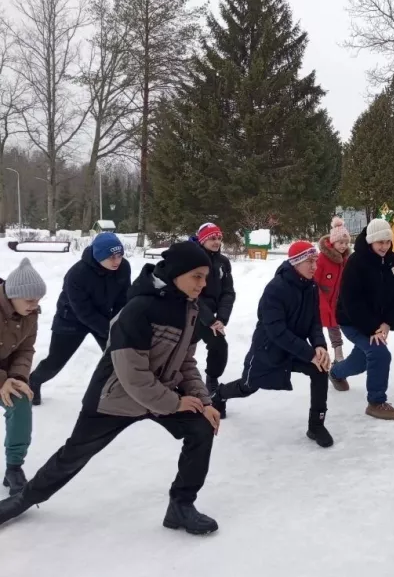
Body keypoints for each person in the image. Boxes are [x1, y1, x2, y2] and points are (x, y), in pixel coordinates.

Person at [0, 242, 221, 534]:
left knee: (201, 428)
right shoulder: (139, 309)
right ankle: (22, 500)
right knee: (73, 456)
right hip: (114, 397)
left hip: (161, 394)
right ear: (177, 273)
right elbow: (132, 374)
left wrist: (204, 401)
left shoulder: (190, 309)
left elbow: (186, 362)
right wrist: (175, 403)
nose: (203, 284)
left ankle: (181, 506)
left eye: (206, 277)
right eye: (197, 276)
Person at [211, 242, 334, 448]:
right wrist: (309, 353)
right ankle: (219, 394)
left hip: (295, 348)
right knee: (248, 386)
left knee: (320, 370)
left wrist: (319, 345)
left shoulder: (311, 286)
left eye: (316, 261)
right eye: (309, 262)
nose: (315, 266)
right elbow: (276, 330)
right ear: (295, 263)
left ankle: (316, 425)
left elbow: (315, 320)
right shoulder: (276, 289)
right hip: (268, 350)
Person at [29, 232, 131, 405]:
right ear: (98, 256)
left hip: (104, 316)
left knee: (118, 356)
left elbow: (123, 298)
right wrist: (109, 328)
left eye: (120, 255)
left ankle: (118, 392)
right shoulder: (77, 274)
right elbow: (83, 311)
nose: (117, 261)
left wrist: (118, 324)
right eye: (111, 257)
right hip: (71, 319)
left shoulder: (123, 267)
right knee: (55, 362)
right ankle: (33, 382)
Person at [329, 219, 394, 421]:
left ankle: (336, 373)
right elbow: (351, 300)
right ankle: (376, 402)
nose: (384, 246)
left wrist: (387, 322)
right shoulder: (357, 262)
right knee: (379, 354)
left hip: (378, 323)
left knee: (362, 361)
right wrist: (373, 327)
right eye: (380, 242)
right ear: (371, 241)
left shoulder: (393, 262)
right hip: (352, 320)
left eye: (387, 242)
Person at [1, 259, 46, 496]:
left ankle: (14, 468)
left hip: (8, 373)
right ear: (12, 296)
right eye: (30, 300)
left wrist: (17, 376)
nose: (35, 305)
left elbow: (26, 349)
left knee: (20, 400)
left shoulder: (30, 314)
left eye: (38, 300)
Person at [191, 223, 236, 392]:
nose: (217, 242)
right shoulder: (193, 261)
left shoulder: (223, 262)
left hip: (211, 317)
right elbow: (192, 293)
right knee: (179, 349)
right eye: (212, 238)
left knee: (219, 345)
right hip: (188, 312)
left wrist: (221, 319)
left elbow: (228, 292)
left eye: (219, 238)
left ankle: (212, 380)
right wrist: (209, 320)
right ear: (202, 240)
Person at [314, 217, 351, 364]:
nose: (343, 246)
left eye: (346, 243)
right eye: (340, 242)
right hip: (320, 299)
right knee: (314, 327)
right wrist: (320, 300)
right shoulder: (322, 259)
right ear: (333, 242)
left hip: (336, 301)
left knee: (334, 326)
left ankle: (338, 355)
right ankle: (314, 354)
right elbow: (314, 281)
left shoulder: (345, 260)